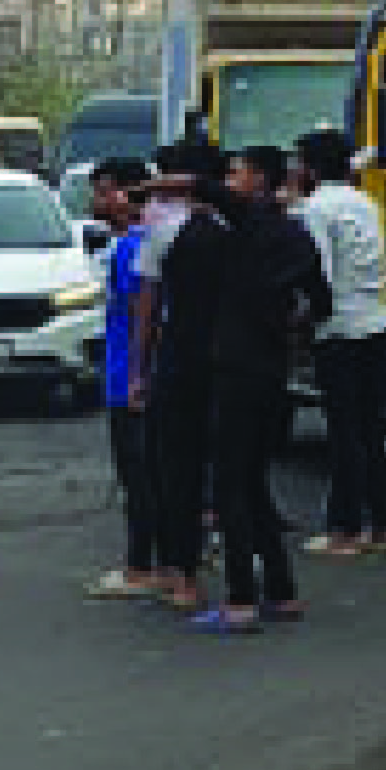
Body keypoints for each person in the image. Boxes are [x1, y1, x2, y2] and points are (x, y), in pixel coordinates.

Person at [189, 145, 329, 635]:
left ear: (260, 181)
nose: (231, 181)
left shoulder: (250, 222)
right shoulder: (294, 233)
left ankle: (241, 597)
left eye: (238, 173)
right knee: (252, 478)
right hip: (271, 367)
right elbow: (321, 299)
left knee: (229, 480)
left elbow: (204, 191)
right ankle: (282, 588)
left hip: (236, 364)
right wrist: (287, 325)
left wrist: (159, 186)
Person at [291, 127, 386, 560]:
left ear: (313, 168)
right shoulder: (366, 203)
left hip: (339, 329)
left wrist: (299, 323)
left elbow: (319, 276)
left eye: (300, 162)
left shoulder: (316, 210)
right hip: (377, 321)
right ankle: (381, 524)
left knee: (344, 431)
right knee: (372, 430)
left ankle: (345, 529)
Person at [133, 139, 226, 612]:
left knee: (176, 469)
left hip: (181, 356)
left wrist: (138, 371)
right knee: (234, 466)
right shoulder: (240, 224)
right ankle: (255, 578)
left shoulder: (163, 229)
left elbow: (148, 306)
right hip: (235, 357)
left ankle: (181, 572)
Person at [77, 158, 170, 601]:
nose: (97, 202)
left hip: (128, 379)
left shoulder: (134, 248)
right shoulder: (134, 244)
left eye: (104, 191)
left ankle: (141, 566)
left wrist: (136, 374)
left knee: (139, 475)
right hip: (129, 373)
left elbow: (142, 317)